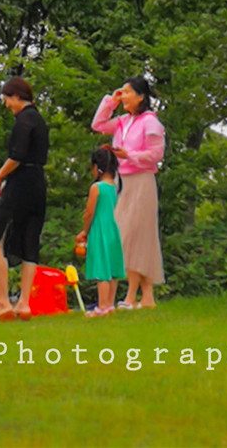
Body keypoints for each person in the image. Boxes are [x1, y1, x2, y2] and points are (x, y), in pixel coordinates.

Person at [91, 76, 165, 309]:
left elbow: (156, 155)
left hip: (141, 181)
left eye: (126, 92)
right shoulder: (123, 121)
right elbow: (98, 125)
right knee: (128, 236)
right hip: (122, 181)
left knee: (136, 236)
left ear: (140, 96)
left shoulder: (150, 122)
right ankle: (143, 297)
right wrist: (110, 101)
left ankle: (136, 296)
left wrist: (128, 155)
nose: (123, 95)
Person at [0, 76, 49, 322]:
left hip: (20, 183)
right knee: (30, 241)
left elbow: (17, 156)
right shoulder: (40, 120)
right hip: (38, 183)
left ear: (17, 97)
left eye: (7, 99)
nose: (6, 105)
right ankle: (24, 303)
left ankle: (2, 303)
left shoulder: (23, 121)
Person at [76, 146, 125, 317]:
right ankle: (109, 304)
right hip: (113, 229)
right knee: (112, 268)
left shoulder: (97, 188)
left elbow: (89, 212)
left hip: (99, 229)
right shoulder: (115, 187)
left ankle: (102, 306)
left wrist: (84, 231)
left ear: (97, 167)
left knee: (101, 269)